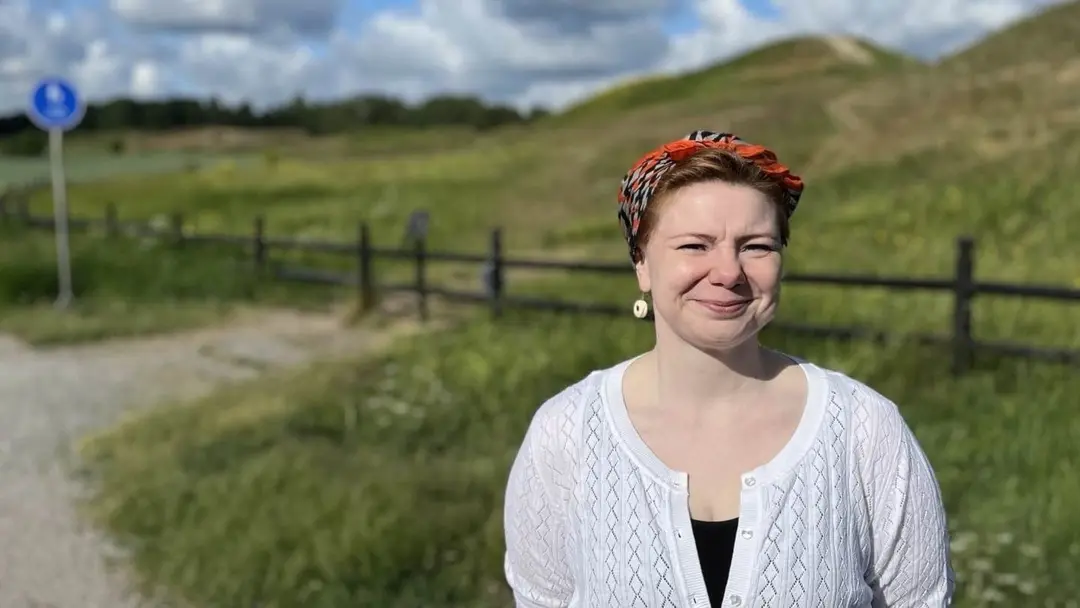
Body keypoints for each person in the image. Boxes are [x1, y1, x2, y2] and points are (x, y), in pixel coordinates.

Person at [502, 130, 954, 607]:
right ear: (641, 263)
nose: (728, 272)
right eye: (695, 246)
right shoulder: (567, 434)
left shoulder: (865, 432)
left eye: (756, 246)